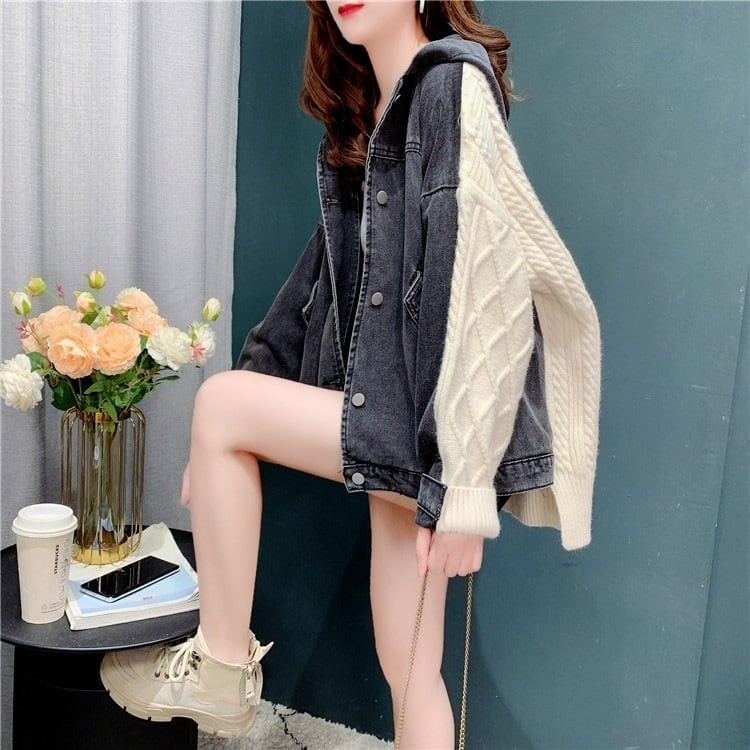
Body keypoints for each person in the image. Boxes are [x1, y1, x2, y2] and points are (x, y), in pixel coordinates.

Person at [100, 1, 601, 747]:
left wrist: (466, 488)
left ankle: (222, 670)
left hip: (423, 435)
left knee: (222, 403)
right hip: (404, 429)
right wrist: (216, 447)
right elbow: (314, 289)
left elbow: (491, 293)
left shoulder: (450, 85)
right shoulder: (370, 121)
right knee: (411, 669)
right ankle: (224, 670)